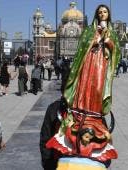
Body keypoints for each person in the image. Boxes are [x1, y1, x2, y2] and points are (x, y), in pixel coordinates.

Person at [46, 4, 120, 167]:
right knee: (86, 84)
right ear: (96, 14)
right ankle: (81, 108)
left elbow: (116, 53)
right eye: (100, 12)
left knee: (98, 87)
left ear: (108, 14)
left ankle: (94, 111)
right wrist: (94, 40)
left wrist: (108, 42)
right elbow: (82, 48)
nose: (102, 14)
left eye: (105, 12)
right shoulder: (88, 31)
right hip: (89, 63)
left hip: (102, 65)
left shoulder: (112, 32)